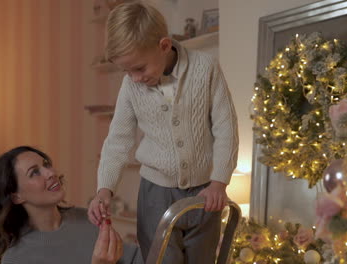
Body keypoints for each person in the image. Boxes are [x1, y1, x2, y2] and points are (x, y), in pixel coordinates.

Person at [88, 1, 239, 263]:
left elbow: (226, 128)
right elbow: (118, 140)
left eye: (139, 68)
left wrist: (219, 183)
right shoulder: (131, 86)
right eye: (127, 71)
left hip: (205, 194)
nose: (134, 78)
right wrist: (104, 189)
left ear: (164, 46)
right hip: (155, 195)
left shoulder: (206, 69)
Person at [0, 146, 142, 264]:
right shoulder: (15, 259)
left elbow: (134, 259)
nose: (50, 173)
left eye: (46, 164)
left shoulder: (87, 219)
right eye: (34, 172)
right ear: (16, 196)